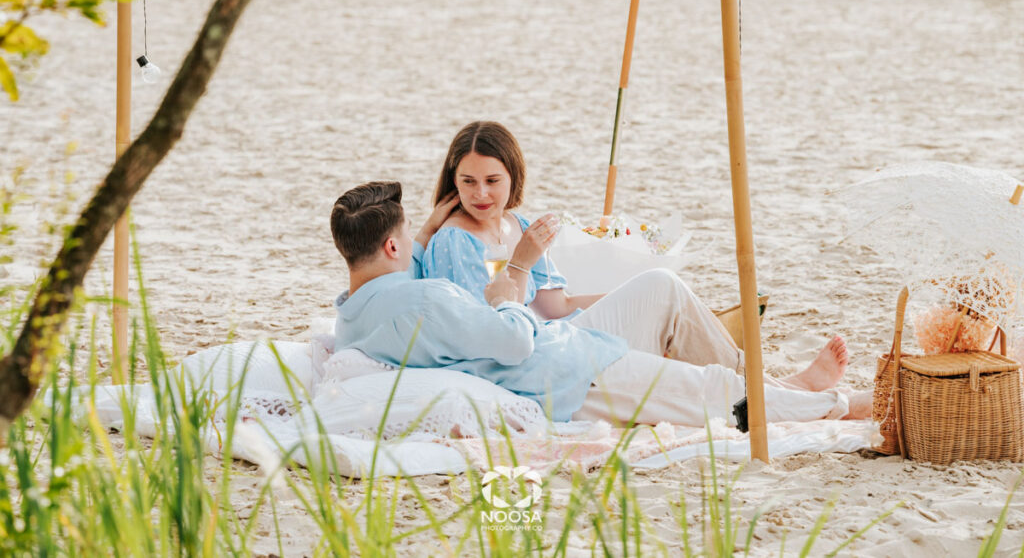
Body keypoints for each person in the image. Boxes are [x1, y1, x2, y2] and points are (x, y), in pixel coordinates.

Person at [331, 180, 871, 427]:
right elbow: (516, 340)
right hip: (565, 370)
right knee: (711, 395)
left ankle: (808, 394)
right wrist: (510, 283)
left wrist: (422, 229)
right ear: (393, 247)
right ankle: (842, 406)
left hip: (565, 362)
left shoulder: (353, 314)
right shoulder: (426, 299)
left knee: (707, 388)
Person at [414, 121, 847, 387]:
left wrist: (629, 296)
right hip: (534, 357)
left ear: (514, 176)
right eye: (468, 182)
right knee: (662, 288)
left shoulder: (519, 225)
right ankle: (779, 386)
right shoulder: (456, 240)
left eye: (493, 179)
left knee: (660, 289)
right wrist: (520, 261)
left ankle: (765, 384)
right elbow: (485, 331)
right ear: (453, 182)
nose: (481, 194)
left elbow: (556, 306)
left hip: (557, 334)